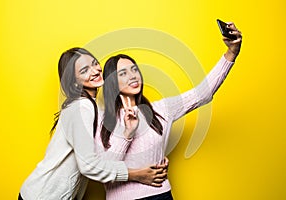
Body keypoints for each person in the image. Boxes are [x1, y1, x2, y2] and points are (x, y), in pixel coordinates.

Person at [96, 22, 242, 199]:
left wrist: (231, 53)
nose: (133, 75)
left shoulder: (161, 109)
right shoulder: (102, 120)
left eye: (134, 69)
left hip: (160, 195)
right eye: (123, 73)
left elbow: (202, 93)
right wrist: (127, 134)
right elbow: (103, 170)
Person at [18, 47, 168, 200]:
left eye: (94, 63)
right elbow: (88, 166)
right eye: (84, 70)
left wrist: (152, 155)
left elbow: (100, 156)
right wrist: (136, 175)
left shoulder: (91, 107)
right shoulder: (82, 107)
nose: (95, 70)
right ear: (75, 82)